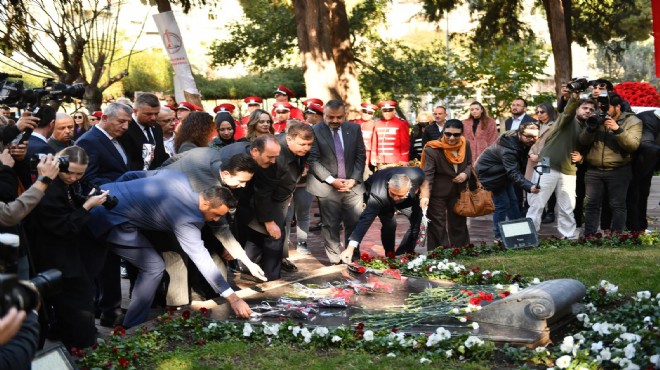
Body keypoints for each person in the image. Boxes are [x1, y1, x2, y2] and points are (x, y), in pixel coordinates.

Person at [88, 171, 252, 327]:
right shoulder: (187, 218)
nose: (216, 219)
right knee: (153, 266)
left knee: (94, 269)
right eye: (216, 214)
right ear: (206, 203)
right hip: (110, 220)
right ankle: (132, 326)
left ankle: (120, 317)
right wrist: (233, 298)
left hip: (102, 195)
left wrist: (120, 191)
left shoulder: (178, 178)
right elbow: (203, 260)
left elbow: (132, 175)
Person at [28, 146, 109, 349]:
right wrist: (87, 206)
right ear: (58, 165)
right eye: (69, 172)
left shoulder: (65, 184)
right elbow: (64, 227)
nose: (73, 178)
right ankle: (81, 350)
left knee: (76, 305)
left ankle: (78, 345)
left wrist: (86, 200)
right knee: (76, 306)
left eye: (79, 174)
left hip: (67, 255)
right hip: (54, 257)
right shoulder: (49, 187)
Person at [245, 123, 313, 279]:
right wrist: (269, 221)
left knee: (259, 236)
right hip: (267, 201)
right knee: (274, 235)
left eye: (309, 144)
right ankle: (271, 277)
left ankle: (248, 267)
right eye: (302, 144)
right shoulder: (276, 155)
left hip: (279, 197)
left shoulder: (299, 150)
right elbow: (262, 191)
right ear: (289, 140)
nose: (306, 148)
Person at [526, 96, 594, 239]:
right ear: (577, 109)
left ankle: (568, 236)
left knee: (567, 206)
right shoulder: (567, 120)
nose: (588, 111)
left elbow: (586, 148)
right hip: (546, 163)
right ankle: (529, 236)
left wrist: (581, 159)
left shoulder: (589, 127)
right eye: (585, 108)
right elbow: (568, 111)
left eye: (591, 110)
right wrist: (574, 97)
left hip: (569, 170)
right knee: (537, 203)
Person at [307, 100, 366, 264]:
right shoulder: (315, 131)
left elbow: (360, 156)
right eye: (330, 117)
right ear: (324, 114)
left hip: (352, 186)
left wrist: (353, 179)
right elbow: (313, 160)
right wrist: (332, 181)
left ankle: (352, 256)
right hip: (327, 186)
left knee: (354, 222)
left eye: (339, 117)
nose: (334, 120)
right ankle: (335, 260)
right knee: (330, 225)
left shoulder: (354, 129)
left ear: (344, 115)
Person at [579, 92, 642, 235]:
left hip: (619, 169)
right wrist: (590, 128)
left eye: (607, 108)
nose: (603, 111)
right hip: (594, 170)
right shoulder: (596, 117)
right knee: (591, 205)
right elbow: (582, 141)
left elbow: (633, 145)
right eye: (601, 107)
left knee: (617, 205)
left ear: (617, 107)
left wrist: (617, 129)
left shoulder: (632, 121)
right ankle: (589, 236)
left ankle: (617, 236)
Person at [343, 167, 429, 262]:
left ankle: (403, 254)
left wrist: (425, 196)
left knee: (417, 219)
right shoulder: (377, 196)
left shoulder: (417, 174)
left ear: (410, 187)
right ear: (389, 185)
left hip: (406, 201)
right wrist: (350, 248)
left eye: (399, 195)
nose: (396, 198)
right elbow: (364, 221)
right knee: (390, 224)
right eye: (393, 194)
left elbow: (424, 181)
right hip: (383, 199)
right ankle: (390, 255)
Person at [475, 121, 541, 241]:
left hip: (502, 173)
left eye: (535, 136)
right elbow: (513, 172)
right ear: (519, 134)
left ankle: (519, 232)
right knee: (503, 204)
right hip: (491, 175)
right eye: (529, 136)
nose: (533, 139)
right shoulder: (509, 149)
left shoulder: (519, 142)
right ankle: (499, 237)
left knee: (513, 201)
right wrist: (529, 186)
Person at [421, 119, 471, 250]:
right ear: (443, 132)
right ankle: (439, 253)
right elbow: (428, 174)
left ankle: (460, 250)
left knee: (458, 223)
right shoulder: (432, 149)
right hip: (438, 192)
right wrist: (425, 195)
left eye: (456, 134)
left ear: (461, 134)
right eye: (448, 134)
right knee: (438, 224)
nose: (452, 138)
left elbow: (470, 164)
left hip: (458, 191)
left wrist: (465, 174)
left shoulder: (466, 144)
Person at [627, 109, 660, 232]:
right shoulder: (649, 119)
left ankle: (642, 226)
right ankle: (634, 228)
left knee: (643, 194)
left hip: (649, 162)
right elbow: (645, 142)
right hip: (635, 163)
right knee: (635, 195)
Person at [524, 103, 558, 224]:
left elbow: (552, 145)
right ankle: (538, 215)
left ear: (549, 112)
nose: (539, 114)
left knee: (544, 186)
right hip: (533, 158)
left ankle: (549, 212)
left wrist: (539, 156)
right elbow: (532, 142)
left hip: (546, 159)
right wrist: (531, 154)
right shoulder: (536, 125)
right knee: (533, 186)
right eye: (537, 112)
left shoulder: (554, 125)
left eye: (542, 112)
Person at [118, 93, 169, 170]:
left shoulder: (157, 128)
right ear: (135, 111)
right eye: (148, 114)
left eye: (156, 114)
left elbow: (161, 155)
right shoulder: (125, 129)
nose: (153, 118)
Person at [371, 100, 410, 168]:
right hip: (380, 160)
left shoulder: (401, 123)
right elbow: (375, 142)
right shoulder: (377, 123)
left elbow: (405, 143)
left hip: (396, 161)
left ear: (394, 111)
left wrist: (404, 159)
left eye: (389, 110)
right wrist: (373, 156)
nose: (387, 113)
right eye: (385, 111)